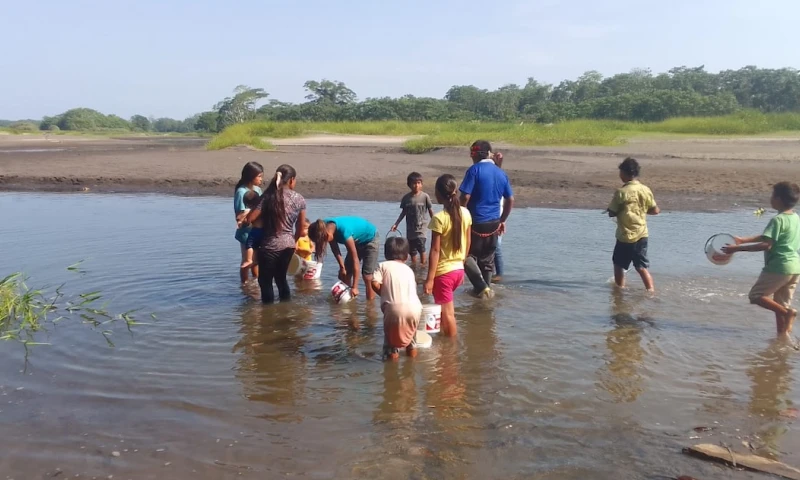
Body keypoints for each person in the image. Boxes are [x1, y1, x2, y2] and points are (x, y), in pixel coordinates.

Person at [722, 182, 800, 339]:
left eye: (772, 195)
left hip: (779, 266)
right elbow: (768, 236)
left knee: (756, 296)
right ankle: (782, 338)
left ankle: (788, 314)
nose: (770, 199)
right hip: (795, 267)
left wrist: (736, 249)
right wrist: (742, 240)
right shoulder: (795, 217)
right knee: (779, 305)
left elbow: (766, 244)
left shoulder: (778, 220)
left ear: (778, 199)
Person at [459, 140, 513, 297]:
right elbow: (510, 200)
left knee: (465, 255)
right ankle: (485, 292)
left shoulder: (474, 170)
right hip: (494, 223)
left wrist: (459, 215)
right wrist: (502, 220)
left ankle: (482, 287)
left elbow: (465, 197)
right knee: (487, 260)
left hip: (476, 222)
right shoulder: (501, 173)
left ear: (474, 154)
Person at [246, 164, 306, 303]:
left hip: (270, 246)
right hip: (288, 245)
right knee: (281, 279)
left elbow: (251, 219)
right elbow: (301, 228)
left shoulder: (268, 196)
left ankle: (268, 314)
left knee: (265, 281)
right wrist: (293, 241)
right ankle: (285, 310)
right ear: (291, 180)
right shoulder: (300, 199)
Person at [425, 174, 473, 337]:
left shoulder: (439, 218)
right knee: (446, 316)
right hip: (458, 271)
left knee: (447, 315)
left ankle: (451, 353)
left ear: (438, 194)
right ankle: (447, 346)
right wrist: (462, 264)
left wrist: (429, 279)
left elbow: (435, 251)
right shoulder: (466, 213)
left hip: (443, 274)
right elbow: (468, 242)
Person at [606, 157, 659, 292]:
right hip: (642, 234)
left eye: (620, 173)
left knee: (618, 265)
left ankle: (620, 290)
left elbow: (612, 212)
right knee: (641, 267)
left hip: (625, 235)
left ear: (624, 173)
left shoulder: (621, 192)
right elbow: (655, 211)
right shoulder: (646, 190)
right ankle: (650, 290)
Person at [371, 236, 422, 360]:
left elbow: (374, 283)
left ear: (386, 253)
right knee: (411, 340)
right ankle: (411, 368)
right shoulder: (409, 270)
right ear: (407, 256)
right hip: (415, 309)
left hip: (394, 310)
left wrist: (384, 294)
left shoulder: (382, 265)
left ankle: (392, 373)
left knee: (391, 344)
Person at [309, 216, 380, 300]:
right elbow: (335, 249)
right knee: (346, 274)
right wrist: (342, 267)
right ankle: (349, 300)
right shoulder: (321, 227)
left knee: (367, 276)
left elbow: (355, 259)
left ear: (327, 234)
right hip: (356, 240)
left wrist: (355, 286)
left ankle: (370, 305)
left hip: (370, 239)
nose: (325, 243)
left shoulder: (344, 232)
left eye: (324, 241)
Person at [391, 172, 434, 265]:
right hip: (410, 230)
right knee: (412, 251)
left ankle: (423, 265)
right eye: (414, 183)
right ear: (409, 185)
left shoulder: (425, 196)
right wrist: (396, 224)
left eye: (418, 183)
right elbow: (403, 212)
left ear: (422, 184)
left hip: (421, 229)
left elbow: (430, 210)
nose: (416, 185)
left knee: (422, 248)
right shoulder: (406, 198)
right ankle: (414, 268)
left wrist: (435, 222)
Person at [233, 162, 264, 284]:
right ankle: (245, 284)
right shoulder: (241, 192)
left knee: (256, 260)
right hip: (246, 232)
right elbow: (239, 216)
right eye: (259, 176)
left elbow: (262, 206)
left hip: (258, 230)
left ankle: (257, 281)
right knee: (247, 260)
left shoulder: (258, 190)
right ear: (251, 176)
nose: (261, 179)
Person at [237, 190, 264, 270]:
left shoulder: (250, 211)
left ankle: (249, 260)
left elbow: (242, 219)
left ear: (247, 204)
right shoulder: (261, 209)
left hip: (255, 231)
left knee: (250, 245)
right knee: (258, 247)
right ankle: (256, 261)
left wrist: (240, 221)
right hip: (263, 232)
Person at [493, 152, 505, 283]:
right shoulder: (498, 176)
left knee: (496, 246)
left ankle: (500, 273)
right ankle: (495, 273)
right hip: (495, 216)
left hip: (497, 217)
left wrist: (502, 220)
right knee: (494, 246)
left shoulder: (499, 178)